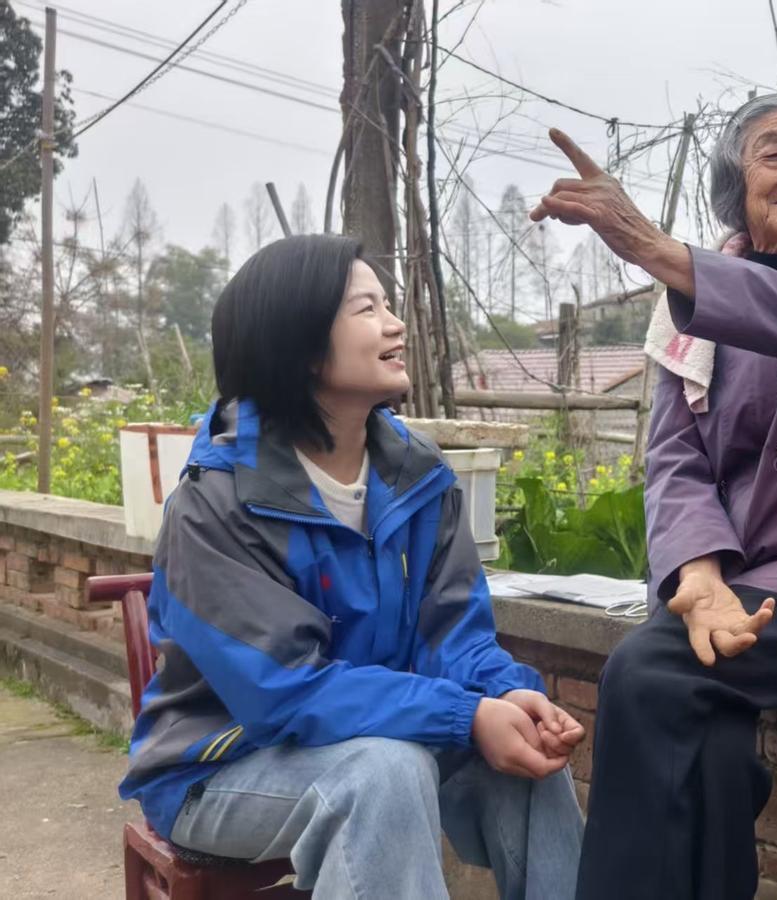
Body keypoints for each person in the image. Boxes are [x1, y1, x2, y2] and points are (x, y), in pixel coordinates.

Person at [526, 93, 777, 899]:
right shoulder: (686, 313)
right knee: (708, 745)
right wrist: (699, 576)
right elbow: (676, 459)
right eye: (775, 155)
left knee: (646, 674)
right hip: (732, 579)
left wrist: (650, 247)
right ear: (735, 186)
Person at [118, 235, 586, 900]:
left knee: (527, 753)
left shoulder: (419, 476)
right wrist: (462, 717)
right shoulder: (215, 504)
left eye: (388, 305)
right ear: (302, 346)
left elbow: (454, 634)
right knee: (383, 774)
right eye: (367, 309)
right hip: (222, 764)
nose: (396, 325)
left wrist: (504, 694)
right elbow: (284, 692)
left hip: (377, 733)